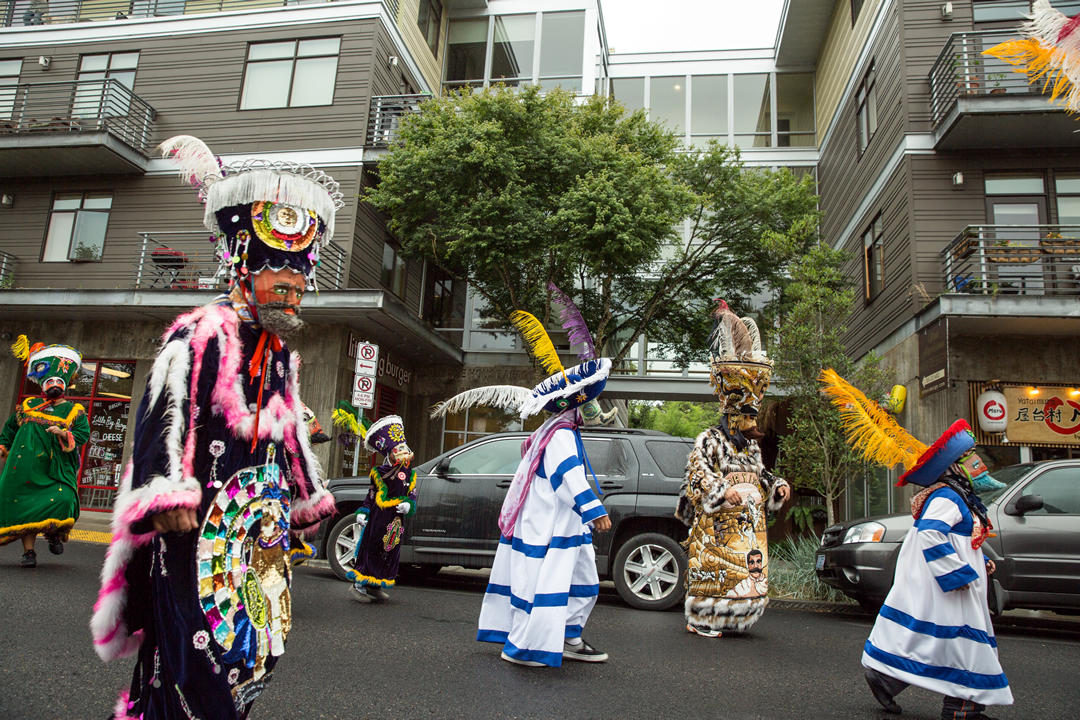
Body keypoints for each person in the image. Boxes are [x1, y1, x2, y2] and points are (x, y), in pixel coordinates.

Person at [90, 135, 340, 719]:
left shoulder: (279, 353)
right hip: (195, 534)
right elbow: (163, 410)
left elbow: (289, 435)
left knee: (254, 658)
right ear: (245, 271)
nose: (294, 292)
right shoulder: (202, 332)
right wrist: (165, 492)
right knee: (196, 664)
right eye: (282, 281)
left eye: (300, 285)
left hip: (258, 540)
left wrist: (303, 504)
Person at [861, 419, 1012, 719]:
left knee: (938, 641)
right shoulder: (949, 496)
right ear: (955, 467)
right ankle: (961, 709)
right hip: (955, 587)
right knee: (964, 646)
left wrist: (980, 563)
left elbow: (958, 541)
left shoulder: (958, 496)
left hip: (959, 586)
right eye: (970, 457)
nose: (978, 462)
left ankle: (888, 678)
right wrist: (956, 575)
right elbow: (931, 533)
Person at [676, 301, 791, 638]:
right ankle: (703, 618)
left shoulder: (750, 446)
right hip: (717, 527)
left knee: (746, 573)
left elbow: (761, 475)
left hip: (748, 528)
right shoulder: (710, 440)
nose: (753, 425)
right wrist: (722, 491)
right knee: (715, 569)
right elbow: (697, 478)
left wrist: (778, 484)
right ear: (732, 417)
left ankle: (735, 617)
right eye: (748, 418)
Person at [0, 338, 90, 567]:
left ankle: (53, 533)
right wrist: (3, 445)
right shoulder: (28, 405)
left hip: (54, 468)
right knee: (25, 509)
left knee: (63, 499)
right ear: (42, 385)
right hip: (23, 468)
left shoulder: (74, 410)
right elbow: (10, 428)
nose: (53, 385)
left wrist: (62, 433)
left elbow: (82, 434)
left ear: (65, 384)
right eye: (49, 381)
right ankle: (29, 553)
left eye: (58, 381)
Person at [345, 414, 418, 602]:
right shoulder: (379, 472)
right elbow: (371, 494)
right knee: (373, 548)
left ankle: (376, 584)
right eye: (398, 449)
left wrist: (408, 504)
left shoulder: (410, 474)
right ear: (390, 453)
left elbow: (413, 494)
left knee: (390, 550)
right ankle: (359, 585)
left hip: (396, 519)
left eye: (404, 448)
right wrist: (364, 511)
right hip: (380, 517)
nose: (403, 452)